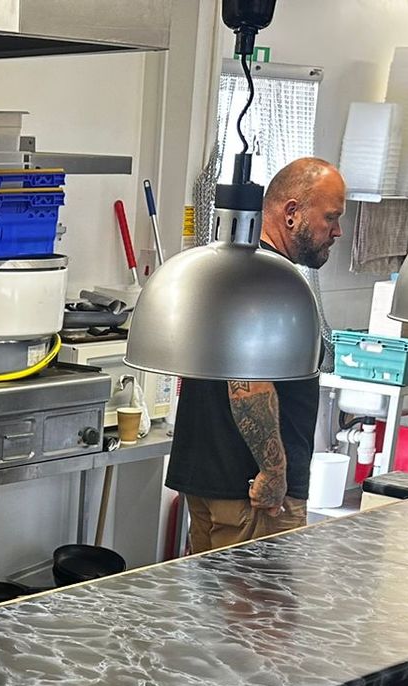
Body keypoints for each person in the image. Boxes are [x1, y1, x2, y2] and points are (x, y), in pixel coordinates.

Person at [164, 156, 347, 554]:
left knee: (210, 614)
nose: (337, 231)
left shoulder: (218, 271)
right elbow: (246, 383)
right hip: (253, 495)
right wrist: (274, 472)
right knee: (257, 615)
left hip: (208, 480)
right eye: (330, 217)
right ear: (292, 213)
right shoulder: (272, 282)